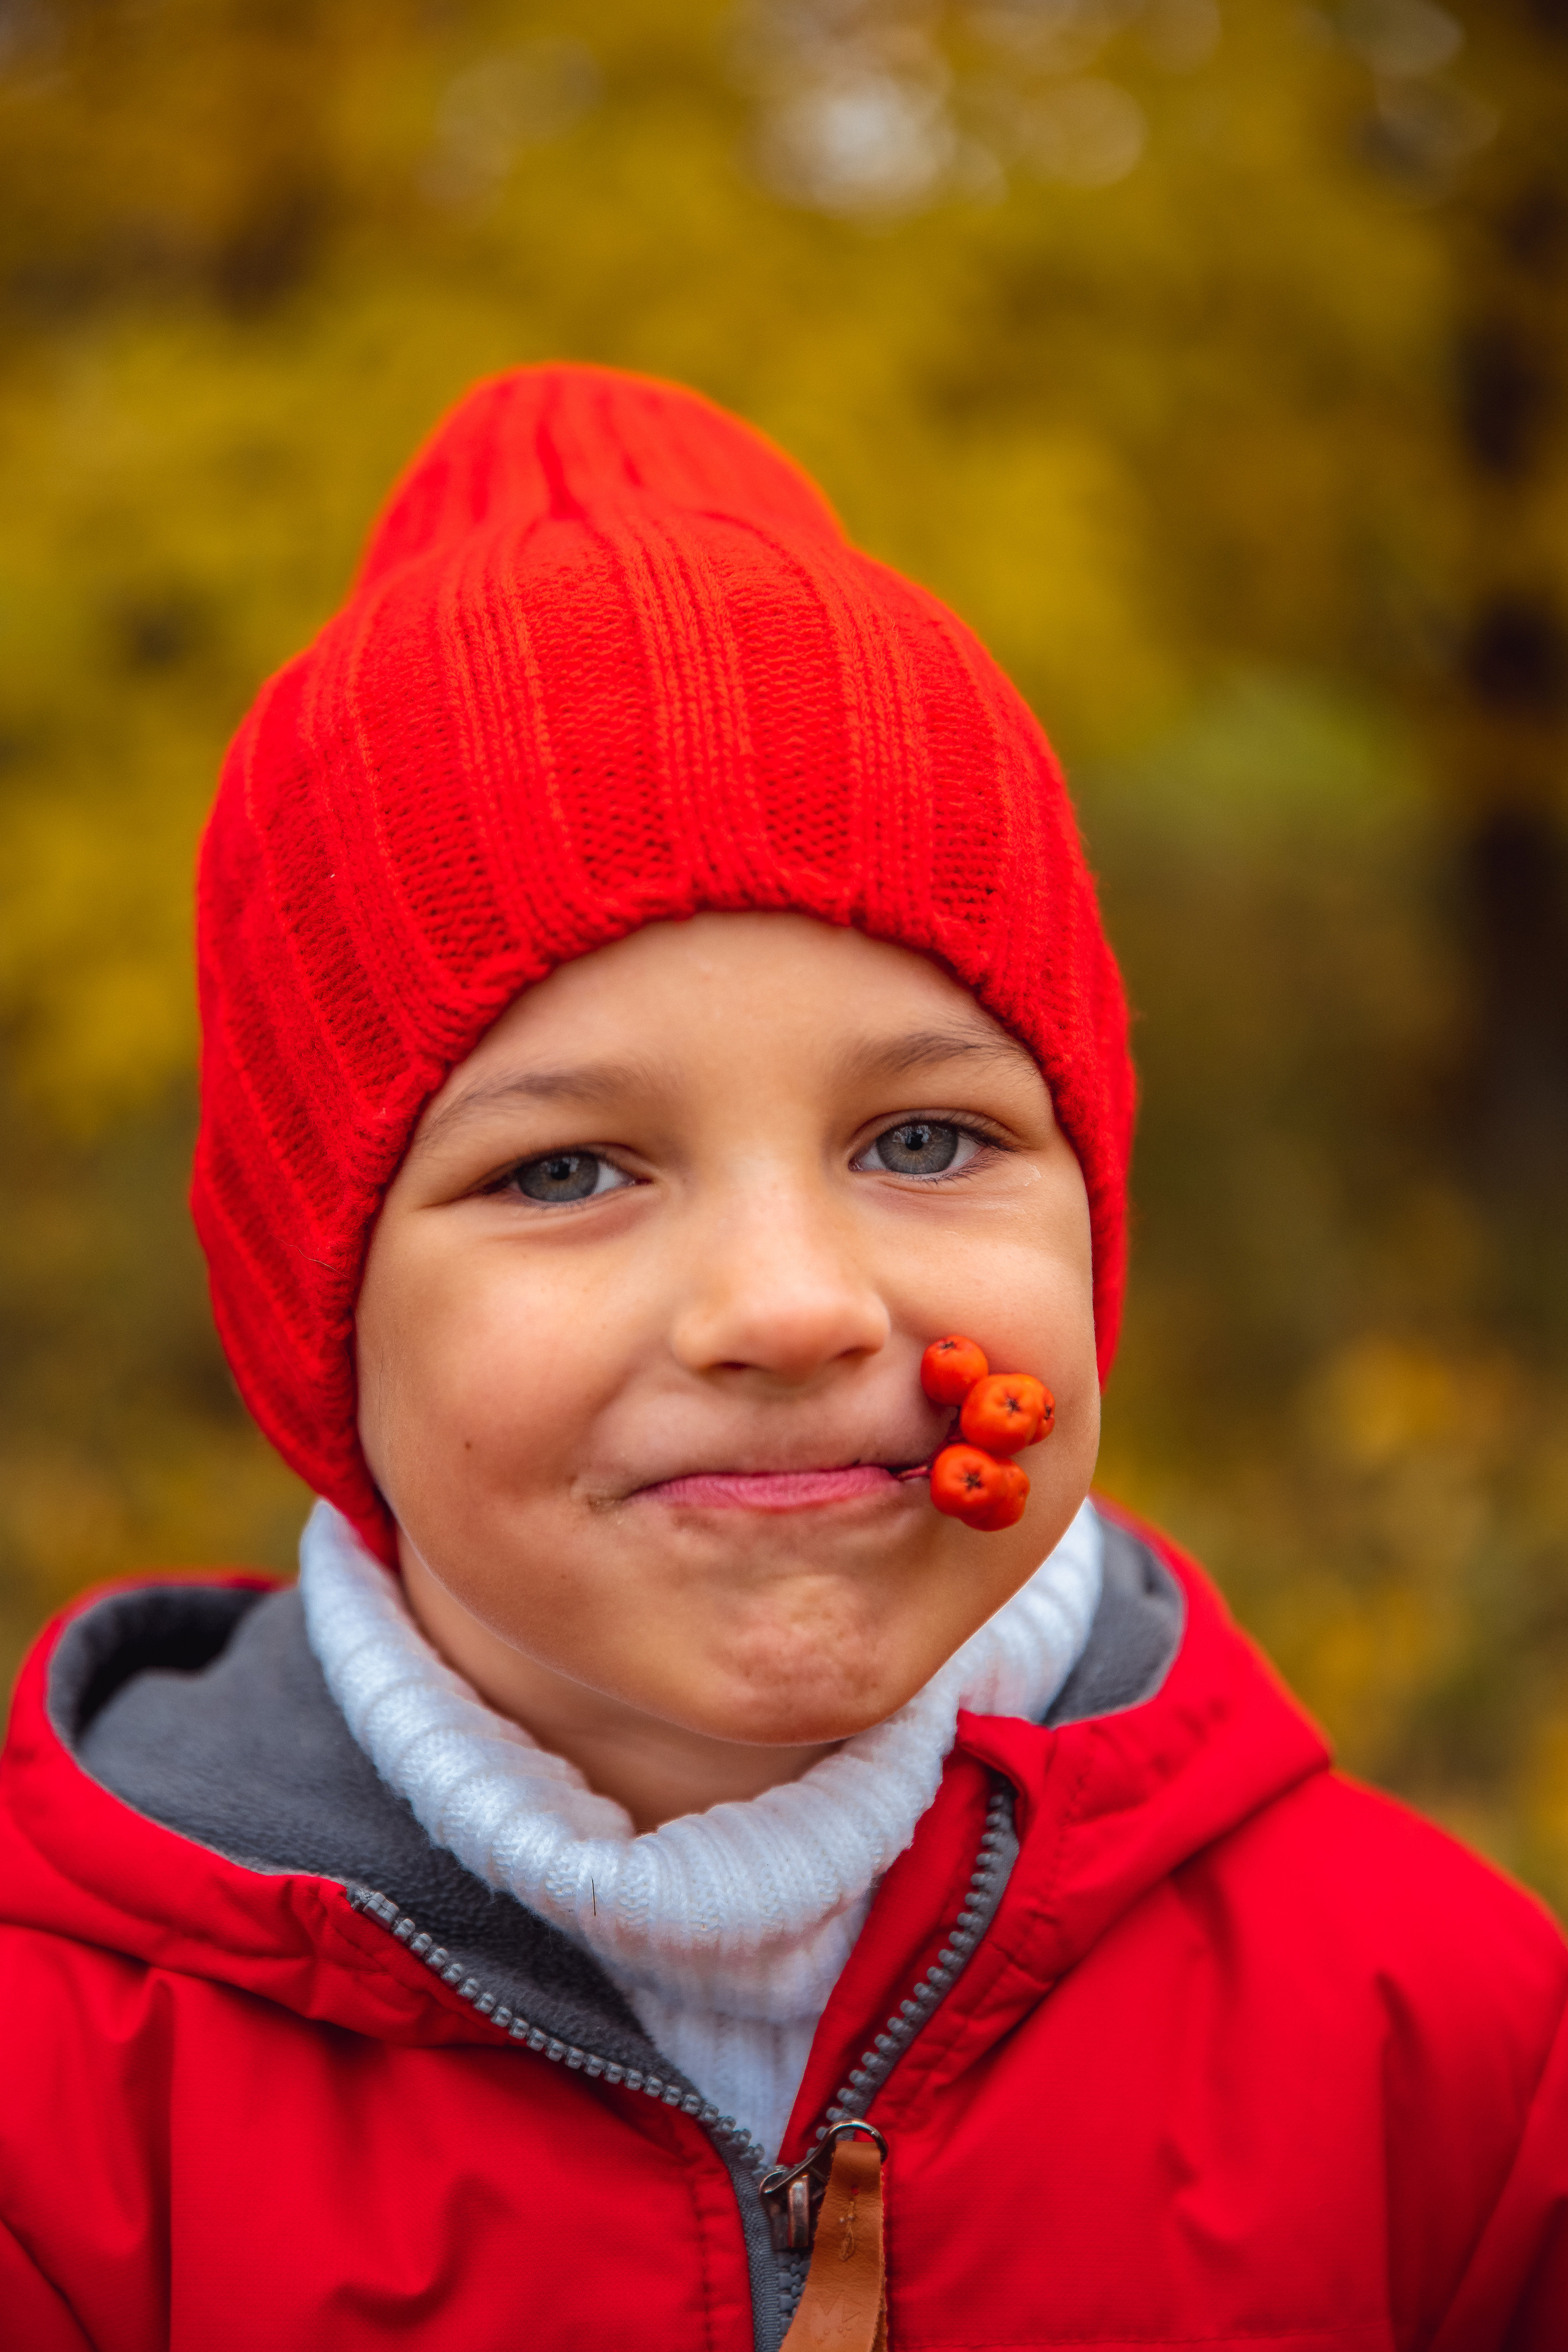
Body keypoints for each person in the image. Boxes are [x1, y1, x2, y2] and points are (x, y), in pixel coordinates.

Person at [1, 366, 1563, 2352]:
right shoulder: (57, 2122)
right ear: (320, 1327)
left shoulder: (1446, 2044)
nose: (790, 1305)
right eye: (567, 1167)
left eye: (926, 1140)